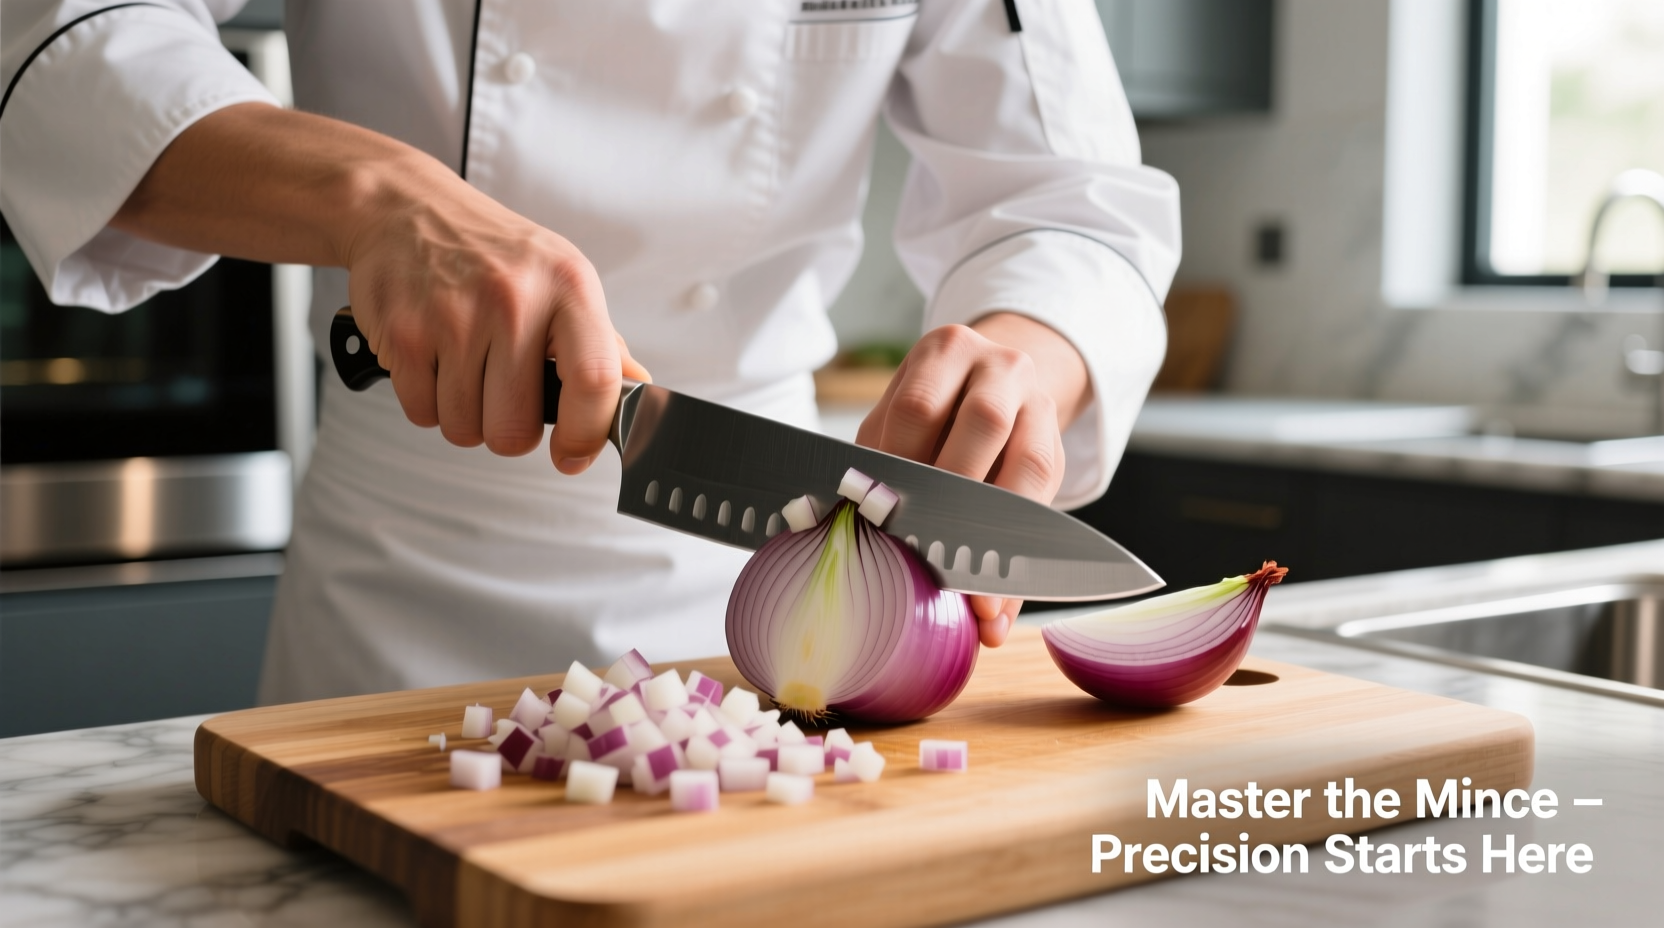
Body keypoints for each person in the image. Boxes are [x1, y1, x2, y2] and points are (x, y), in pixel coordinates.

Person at [0, 0, 1179, 703]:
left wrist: (1028, 346)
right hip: (402, 577)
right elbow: (67, 42)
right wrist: (382, 195)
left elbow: (1068, 197)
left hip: (758, 592)